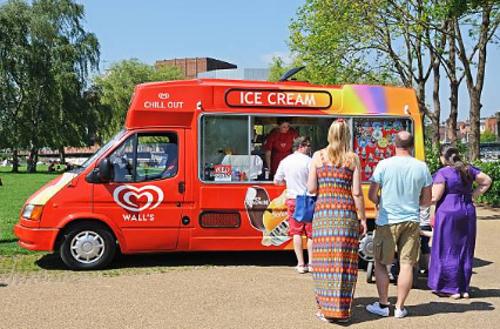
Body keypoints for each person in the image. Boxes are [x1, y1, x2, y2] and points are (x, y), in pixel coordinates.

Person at [366, 131, 432, 319]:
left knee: (380, 262)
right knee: (406, 264)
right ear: (412, 145)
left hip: (387, 220)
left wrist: (379, 201)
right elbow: (427, 200)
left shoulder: (384, 165)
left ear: (393, 144)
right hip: (411, 220)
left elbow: (372, 194)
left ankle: (383, 304)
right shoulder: (422, 167)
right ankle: (400, 307)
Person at [307, 119, 367, 323]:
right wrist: (362, 218)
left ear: (329, 134)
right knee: (344, 261)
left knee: (323, 261)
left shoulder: (317, 156)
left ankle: (325, 308)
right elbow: (357, 192)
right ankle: (341, 310)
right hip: (346, 214)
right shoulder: (353, 159)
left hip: (324, 214)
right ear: (347, 136)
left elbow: (311, 188)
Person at [428, 145, 492, 299]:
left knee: (446, 248)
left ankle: (450, 288)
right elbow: (487, 180)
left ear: (443, 157)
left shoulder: (443, 173)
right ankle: (463, 288)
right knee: (465, 248)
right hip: (467, 211)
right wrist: (473, 195)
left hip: (447, 212)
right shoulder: (468, 169)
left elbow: (435, 197)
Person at [274, 136, 313, 274]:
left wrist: (288, 183)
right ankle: (312, 263)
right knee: (310, 234)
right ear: (301, 146)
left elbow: (277, 181)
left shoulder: (285, 161)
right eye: (308, 145)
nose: (309, 148)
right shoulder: (310, 161)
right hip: (309, 199)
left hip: (293, 199)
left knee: (296, 232)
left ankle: (301, 264)